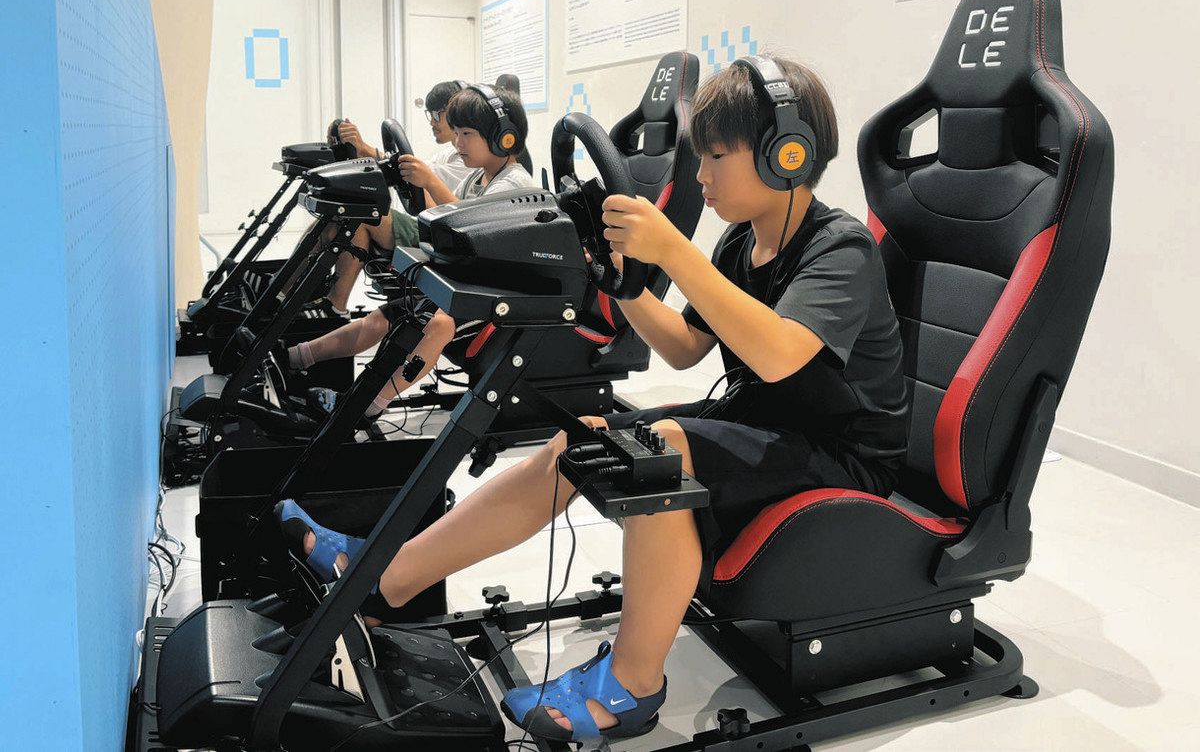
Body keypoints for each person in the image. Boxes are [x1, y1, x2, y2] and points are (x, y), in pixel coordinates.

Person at [277, 56, 908, 743]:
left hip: (846, 455)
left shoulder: (840, 248)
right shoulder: (739, 244)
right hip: (770, 425)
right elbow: (684, 348)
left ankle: (632, 686)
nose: (701, 176)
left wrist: (672, 252)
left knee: (661, 455)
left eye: (717, 157)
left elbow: (779, 354)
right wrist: (622, 280)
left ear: (788, 155)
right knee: (583, 436)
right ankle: (386, 578)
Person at [285, 84, 536, 420]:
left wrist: (430, 181)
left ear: (504, 138)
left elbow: (472, 227)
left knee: (438, 324)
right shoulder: (479, 177)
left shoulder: (514, 184)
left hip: (496, 291)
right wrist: (419, 187)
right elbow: (444, 216)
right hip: (465, 278)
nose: (458, 142)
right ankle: (294, 357)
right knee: (383, 318)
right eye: (457, 133)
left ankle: (368, 406)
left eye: (467, 134)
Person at [311, 81, 476, 316]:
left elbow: (417, 172)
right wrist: (357, 151)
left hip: (441, 238)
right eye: (429, 115)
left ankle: (332, 306)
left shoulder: (466, 161)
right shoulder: (449, 154)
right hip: (433, 226)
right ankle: (289, 293)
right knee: (338, 218)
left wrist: (364, 148)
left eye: (436, 115)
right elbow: (412, 172)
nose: (432, 122)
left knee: (364, 217)